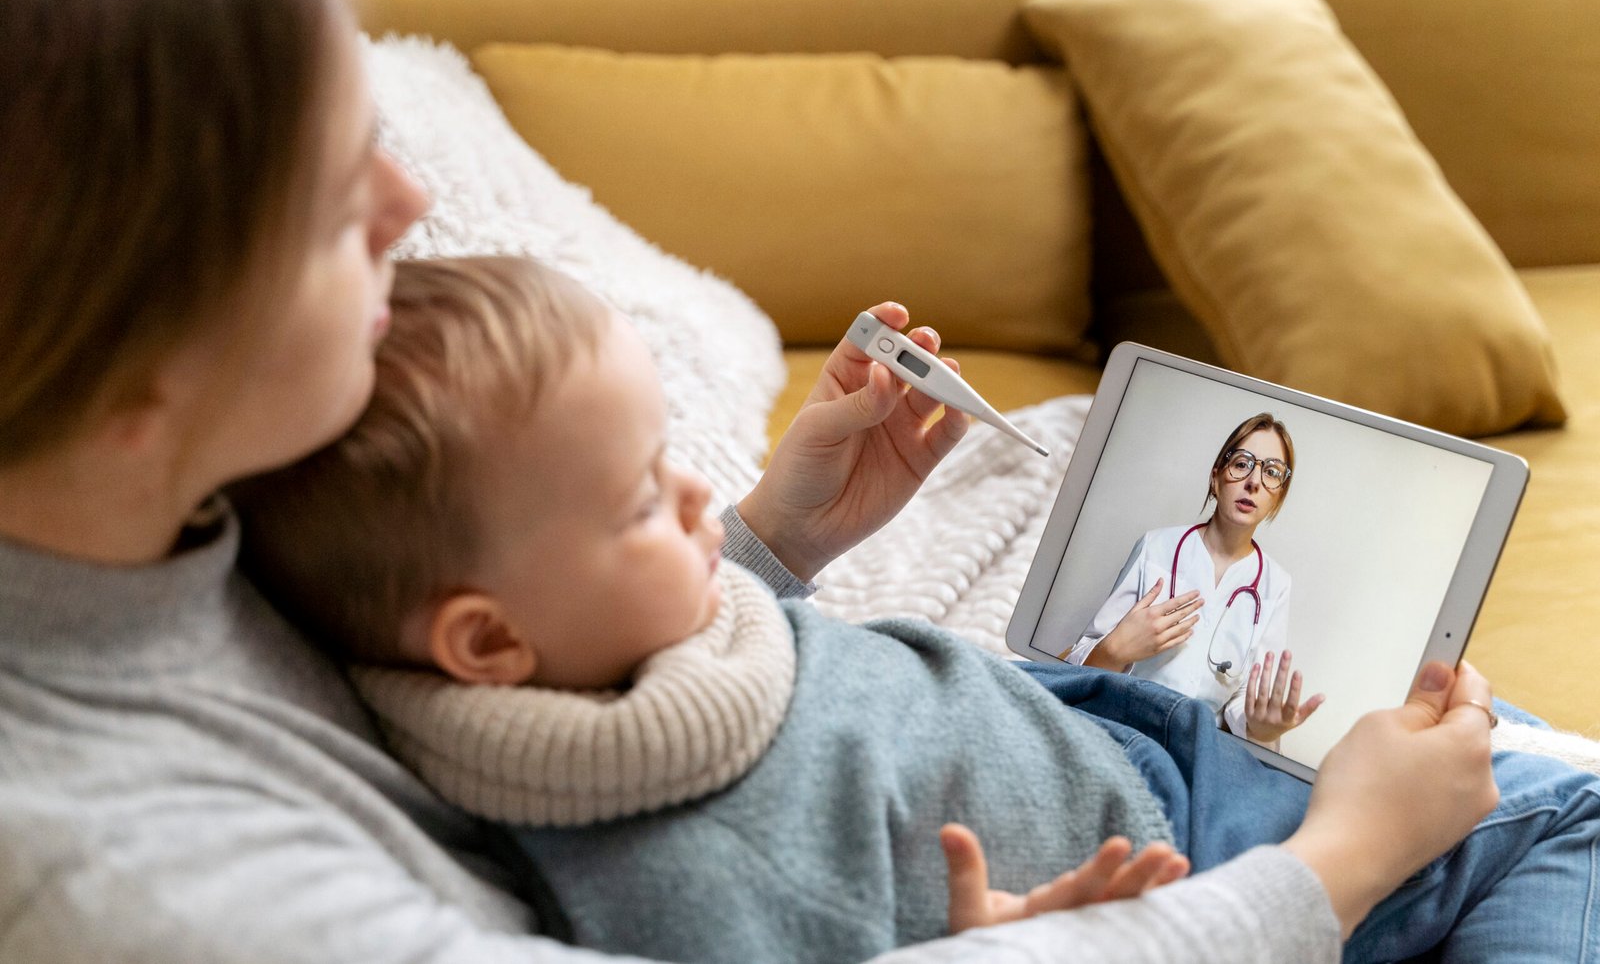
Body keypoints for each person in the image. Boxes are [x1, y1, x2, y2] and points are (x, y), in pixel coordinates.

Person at [0, 0, 1587, 962]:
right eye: (328, 194)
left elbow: (509, 640)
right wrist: (1334, 866)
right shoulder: (120, 860)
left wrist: (758, 546)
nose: (410, 203)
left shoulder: (185, 520)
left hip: (1114, 785)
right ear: (135, 332)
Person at [230, 254, 1600, 964]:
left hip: (1128, 730)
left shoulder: (561, 677)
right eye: (646, 500)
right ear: (483, 638)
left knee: (1488, 744)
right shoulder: (670, 872)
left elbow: (665, 669)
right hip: (1201, 844)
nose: (698, 502)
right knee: (1569, 811)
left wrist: (779, 534)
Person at [1063, 415, 1324, 746]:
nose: (1253, 482)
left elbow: (1245, 704)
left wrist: (1263, 727)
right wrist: (1114, 650)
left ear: (1278, 496)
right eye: (1242, 464)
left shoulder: (1275, 585)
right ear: (1216, 477)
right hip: (1120, 726)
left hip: (1196, 747)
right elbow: (1078, 659)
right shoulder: (1156, 547)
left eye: (1271, 472)